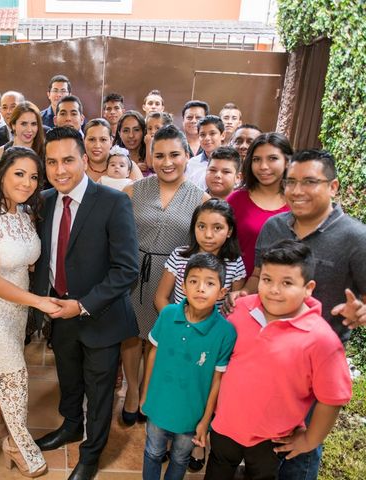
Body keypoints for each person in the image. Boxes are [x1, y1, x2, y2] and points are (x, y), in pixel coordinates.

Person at [225, 149, 366, 479]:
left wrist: (361, 312)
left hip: (313, 363)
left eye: (309, 182)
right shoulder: (274, 226)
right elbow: (259, 275)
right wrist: (242, 294)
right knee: (262, 446)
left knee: (299, 452)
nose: (297, 190)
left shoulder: (355, 238)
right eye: (291, 182)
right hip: (265, 354)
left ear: (333, 187)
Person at [32, 127, 140, 480]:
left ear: (84, 159)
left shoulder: (113, 201)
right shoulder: (44, 201)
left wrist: (82, 305)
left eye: (67, 160)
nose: (59, 170)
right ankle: (70, 426)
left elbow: (127, 270)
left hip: (100, 316)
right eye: (51, 162)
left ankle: (91, 454)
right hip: (58, 314)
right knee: (68, 379)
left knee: (99, 390)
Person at [205, 240, 353, 480]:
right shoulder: (239, 310)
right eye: (267, 280)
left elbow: (332, 398)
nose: (274, 290)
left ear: (308, 287)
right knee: (218, 470)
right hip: (224, 425)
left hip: (271, 439)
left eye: (287, 283)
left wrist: (310, 439)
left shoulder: (322, 340)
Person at [0, 146, 59, 478]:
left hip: (16, 306)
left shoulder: (23, 212)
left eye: (34, 176)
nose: (28, 182)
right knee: (15, 374)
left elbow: (26, 258)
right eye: (19, 173)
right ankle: (16, 444)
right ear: (1, 172)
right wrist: (38, 301)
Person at [122, 125, 208, 428]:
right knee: (132, 336)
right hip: (134, 273)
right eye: (159, 155)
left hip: (173, 276)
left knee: (160, 340)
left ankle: (149, 393)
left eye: (174, 154)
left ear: (187, 155)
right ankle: (131, 393)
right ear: (150, 156)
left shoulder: (201, 199)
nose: (167, 162)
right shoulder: (133, 190)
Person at [140, 253, 237, 480]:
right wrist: (145, 395)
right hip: (158, 404)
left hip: (192, 415)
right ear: (183, 286)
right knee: (153, 452)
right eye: (193, 281)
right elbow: (153, 354)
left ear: (222, 292)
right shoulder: (167, 314)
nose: (200, 288)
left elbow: (217, 379)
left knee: (180, 458)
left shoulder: (226, 332)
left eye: (210, 283)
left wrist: (205, 420)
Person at [155, 199, 245, 313]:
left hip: (215, 329)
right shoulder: (179, 256)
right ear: (194, 227)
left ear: (229, 231)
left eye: (217, 228)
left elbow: (236, 304)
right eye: (202, 226)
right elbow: (160, 298)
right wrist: (174, 323)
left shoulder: (234, 262)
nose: (208, 235)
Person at [226, 132, 291, 279]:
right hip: (232, 291)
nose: (263, 166)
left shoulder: (296, 204)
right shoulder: (236, 200)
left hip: (281, 291)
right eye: (256, 159)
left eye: (272, 158)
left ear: (287, 161)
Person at [83, 118, 143, 183]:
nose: (97, 145)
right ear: (84, 141)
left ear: (111, 141)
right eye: (92, 139)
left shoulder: (127, 166)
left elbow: (142, 192)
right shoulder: (76, 166)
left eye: (103, 140)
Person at [0, 101, 45, 166]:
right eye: (24, 124)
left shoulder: (46, 151)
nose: (29, 129)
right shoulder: (0, 153)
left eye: (33, 124)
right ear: (13, 125)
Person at [185, 115, 226, 190]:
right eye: (202, 135)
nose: (207, 138)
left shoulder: (232, 161)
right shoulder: (191, 164)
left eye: (212, 133)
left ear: (223, 135)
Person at [113, 110, 147, 176]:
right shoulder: (111, 157)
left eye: (136, 130)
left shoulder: (151, 158)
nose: (131, 135)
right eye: (126, 130)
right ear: (119, 133)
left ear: (143, 132)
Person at [143, 112, 174, 176]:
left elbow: (151, 165)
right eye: (149, 128)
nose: (152, 131)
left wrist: (148, 144)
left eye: (157, 128)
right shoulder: (152, 142)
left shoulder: (167, 144)